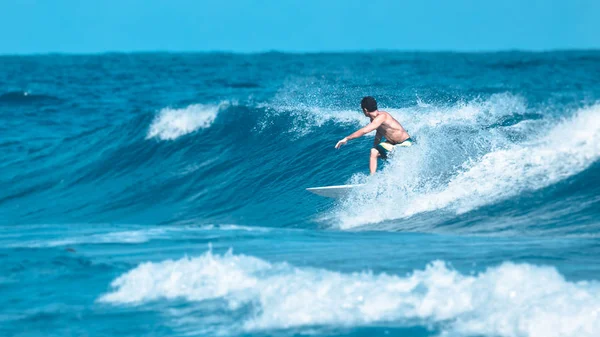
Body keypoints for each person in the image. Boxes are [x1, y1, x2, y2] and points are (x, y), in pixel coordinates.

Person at [335, 96, 413, 175]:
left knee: (382, 146)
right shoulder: (374, 119)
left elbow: (365, 130)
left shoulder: (382, 116)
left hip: (406, 144)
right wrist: (376, 147)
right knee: (374, 151)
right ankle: (373, 179)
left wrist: (346, 138)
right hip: (395, 145)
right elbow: (379, 133)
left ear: (365, 110)